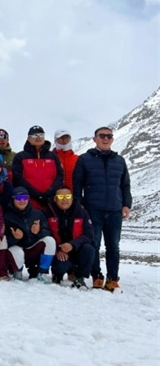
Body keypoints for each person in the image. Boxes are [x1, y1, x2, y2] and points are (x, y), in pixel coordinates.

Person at [72, 126, 132, 292]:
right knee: (94, 243)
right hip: (93, 209)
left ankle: (112, 278)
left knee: (113, 245)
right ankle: (96, 276)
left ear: (112, 139)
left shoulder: (119, 160)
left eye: (109, 136)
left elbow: (125, 184)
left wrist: (126, 204)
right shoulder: (84, 159)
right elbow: (77, 183)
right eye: (102, 135)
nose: (105, 138)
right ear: (95, 138)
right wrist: (79, 204)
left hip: (114, 209)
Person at [44, 187, 96, 290]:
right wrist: (58, 249)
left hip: (76, 248)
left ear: (72, 198)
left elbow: (89, 234)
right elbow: (45, 233)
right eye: (61, 196)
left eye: (67, 196)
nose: (64, 199)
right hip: (58, 251)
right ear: (55, 199)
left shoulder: (81, 212)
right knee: (60, 264)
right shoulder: (48, 212)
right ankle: (57, 275)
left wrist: (72, 244)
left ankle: (79, 278)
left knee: (89, 249)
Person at [4, 187, 57, 283]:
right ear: (13, 199)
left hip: (33, 247)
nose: (22, 201)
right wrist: (15, 238)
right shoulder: (7, 216)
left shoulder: (37, 213)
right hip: (17, 247)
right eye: (19, 198)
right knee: (17, 251)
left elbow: (48, 231)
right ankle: (17, 272)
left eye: (25, 197)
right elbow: (4, 241)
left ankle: (42, 272)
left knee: (50, 240)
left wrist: (38, 232)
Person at [12, 125, 64, 210]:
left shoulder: (53, 156)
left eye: (41, 135)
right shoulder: (20, 157)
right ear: (28, 138)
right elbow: (18, 179)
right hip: (29, 201)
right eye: (35, 135)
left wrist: (50, 192)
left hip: (50, 201)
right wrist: (36, 195)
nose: (38, 137)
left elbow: (60, 176)